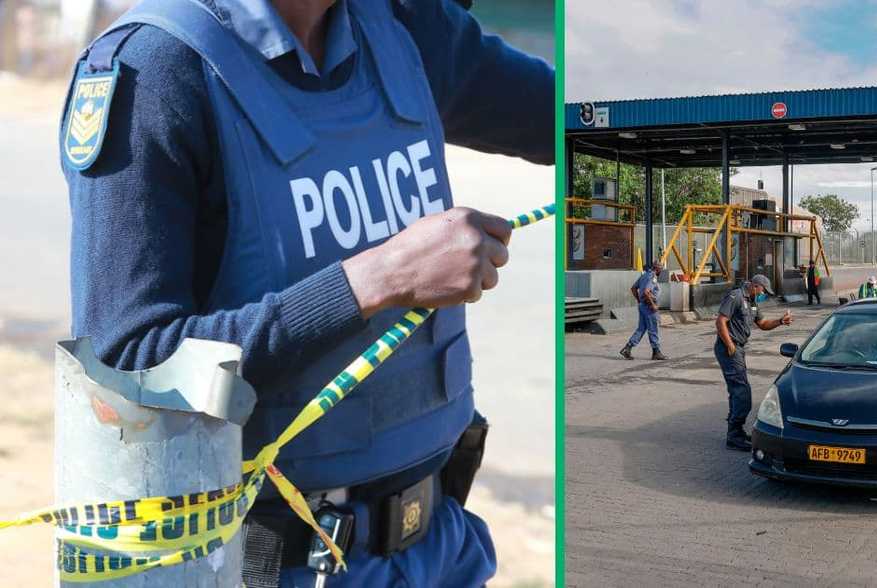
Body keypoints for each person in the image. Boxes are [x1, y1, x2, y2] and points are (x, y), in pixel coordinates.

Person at [60, 0, 552, 586]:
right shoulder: (154, 70)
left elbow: (563, 117)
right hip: (284, 562)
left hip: (442, 546)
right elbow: (129, 367)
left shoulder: (403, 26)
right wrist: (377, 279)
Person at [715, 275, 793, 451]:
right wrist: (730, 346)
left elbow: (763, 324)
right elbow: (720, 321)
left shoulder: (752, 301)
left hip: (738, 348)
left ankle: (735, 432)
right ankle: (734, 435)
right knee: (743, 393)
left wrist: (781, 321)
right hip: (730, 348)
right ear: (755, 286)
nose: (763, 294)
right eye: (763, 291)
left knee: (736, 390)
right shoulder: (735, 297)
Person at [620, 261, 667, 360]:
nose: (661, 271)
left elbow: (633, 288)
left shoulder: (644, 275)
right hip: (649, 307)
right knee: (653, 329)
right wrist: (653, 305)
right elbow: (646, 292)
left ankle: (627, 348)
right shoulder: (652, 277)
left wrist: (639, 300)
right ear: (657, 269)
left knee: (641, 329)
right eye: (661, 269)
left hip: (642, 306)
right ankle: (656, 352)